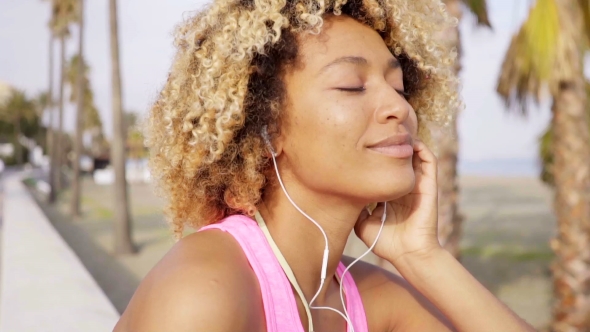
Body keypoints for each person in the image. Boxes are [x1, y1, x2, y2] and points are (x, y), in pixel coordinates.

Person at [114, 0, 536, 331]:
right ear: (265, 127)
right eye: (353, 86)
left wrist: (422, 255)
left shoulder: (365, 298)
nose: (397, 108)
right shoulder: (205, 289)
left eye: (399, 86)